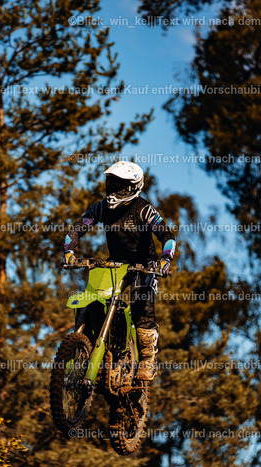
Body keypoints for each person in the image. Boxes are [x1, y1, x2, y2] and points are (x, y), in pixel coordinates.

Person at [62, 161, 176, 381]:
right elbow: (78, 227)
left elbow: (167, 236)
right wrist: (68, 251)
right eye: (112, 184)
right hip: (116, 263)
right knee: (95, 297)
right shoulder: (102, 207)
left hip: (145, 266)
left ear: (134, 187)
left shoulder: (144, 209)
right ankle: (92, 345)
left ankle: (147, 359)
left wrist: (165, 260)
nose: (114, 190)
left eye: (120, 186)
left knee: (142, 309)